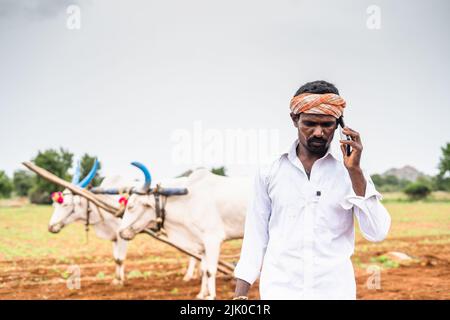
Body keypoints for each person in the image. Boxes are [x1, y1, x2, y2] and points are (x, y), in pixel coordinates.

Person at [233, 80, 391, 300]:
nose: (319, 132)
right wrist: (240, 296)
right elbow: (256, 236)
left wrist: (355, 171)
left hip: (335, 292)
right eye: (309, 123)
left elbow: (377, 232)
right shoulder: (270, 170)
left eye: (327, 125)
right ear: (294, 119)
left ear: (338, 124)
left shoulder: (351, 172)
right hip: (279, 291)